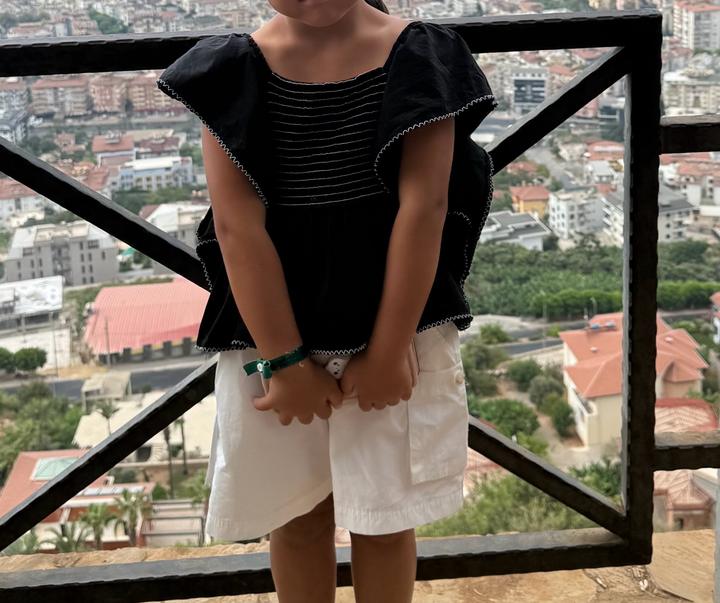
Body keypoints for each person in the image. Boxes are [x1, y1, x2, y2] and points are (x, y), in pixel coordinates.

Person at [156, 1, 497, 601]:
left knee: (384, 519)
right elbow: (236, 228)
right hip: (273, 332)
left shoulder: (420, 57)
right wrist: (286, 362)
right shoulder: (232, 73)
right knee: (297, 516)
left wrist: (388, 349)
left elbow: (427, 209)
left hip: (394, 326)